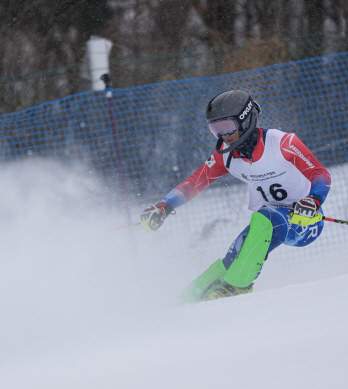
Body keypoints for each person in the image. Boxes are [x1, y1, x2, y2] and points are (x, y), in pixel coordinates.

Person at [140, 89, 331, 302]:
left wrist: (313, 201)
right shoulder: (227, 155)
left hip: (305, 221)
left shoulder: (282, 143)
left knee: (265, 217)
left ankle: (238, 287)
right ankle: (189, 299)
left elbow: (320, 174)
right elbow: (195, 183)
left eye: (227, 127)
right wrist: (165, 206)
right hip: (268, 222)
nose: (222, 135)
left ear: (245, 120)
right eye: (215, 129)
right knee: (234, 255)